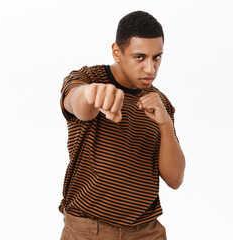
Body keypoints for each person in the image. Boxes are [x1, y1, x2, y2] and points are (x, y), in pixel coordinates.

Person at [59, 11, 185, 240]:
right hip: (89, 230)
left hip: (147, 231)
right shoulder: (88, 78)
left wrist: (165, 124)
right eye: (140, 57)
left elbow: (175, 179)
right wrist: (91, 95)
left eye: (157, 57)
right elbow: (76, 103)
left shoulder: (160, 102)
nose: (151, 68)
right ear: (117, 52)